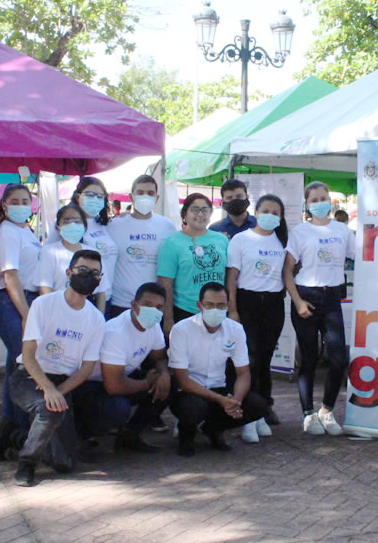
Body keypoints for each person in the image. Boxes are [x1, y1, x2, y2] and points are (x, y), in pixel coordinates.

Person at [10, 249, 105, 486]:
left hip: (63, 382)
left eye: (95, 273)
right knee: (50, 409)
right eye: (83, 270)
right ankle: (27, 463)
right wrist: (48, 390)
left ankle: (17, 437)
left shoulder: (96, 319)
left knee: (65, 463)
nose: (88, 276)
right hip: (28, 378)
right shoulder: (43, 304)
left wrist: (58, 391)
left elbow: (86, 369)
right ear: (69, 272)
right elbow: (28, 356)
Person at [284, 181, 354, 436]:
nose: (319, 203)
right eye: (313, 199)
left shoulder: (343, 231)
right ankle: (307, 413)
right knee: (309, 358)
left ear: (331, 201)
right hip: (306, 297)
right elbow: (287, 272)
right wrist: (298, 302)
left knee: (338, 359)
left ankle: (326, 410)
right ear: (306, 204)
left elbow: (360, 257)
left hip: (332, 297)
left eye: (323, 197)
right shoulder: (299, 232)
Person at [168, 282, 268, 457]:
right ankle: (186, 436)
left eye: (221, 305)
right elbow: (182, 380)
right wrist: (222, 400)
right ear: (200, 305)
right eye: (210, 305)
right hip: (189, 391)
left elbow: (243, 373)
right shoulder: (181, 330)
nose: (215, 310)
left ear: (228, 305)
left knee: (258, 405)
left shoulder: (235, 329)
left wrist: (235, 401)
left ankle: (213, 430)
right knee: (194, 408)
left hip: (219, 388)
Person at [77, 282, 171, 453]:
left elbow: (160, 357)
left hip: (120, 377)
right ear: (134, 305)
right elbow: (113, 386)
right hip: (91, 385)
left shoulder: (154, 326)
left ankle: (130, 436)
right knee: (118, 410)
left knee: (170, 383)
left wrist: (164, 373)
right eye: (148, 305)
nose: (154, 311)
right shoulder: (116, 333)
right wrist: (147, 383)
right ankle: (81, 436)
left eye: (159, 307)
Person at [226, 194, 288, 441]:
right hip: (246, 302)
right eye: (266, 210)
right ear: (256, 212)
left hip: (273, 304)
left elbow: (289, 273)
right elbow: (231, 277)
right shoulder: (241, 240)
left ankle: (261, 412)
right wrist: (233, 308)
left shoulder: (283, 240)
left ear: (281, 217)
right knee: (248, 360)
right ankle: (247, 417)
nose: (270, 215)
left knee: (264, 360)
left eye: (276, 212)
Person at [0, 184, 42, 460]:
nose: (22, 205)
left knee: (17, 365)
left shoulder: (25, 231)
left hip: (28, 300)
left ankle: (13, 432)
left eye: (26, 201)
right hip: (11, 302)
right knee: (25, 362)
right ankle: (15, 430)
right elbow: (10, 276)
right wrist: (26, 314)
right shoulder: (7, 233)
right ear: (5, 205)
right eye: (15, 201)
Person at [106, 174, 177, 319]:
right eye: (140, 192)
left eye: (150, 193)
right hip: (120, 304)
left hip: (154, 306)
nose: (145, 196)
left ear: (157, 198)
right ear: (131, 197)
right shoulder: (114, 225)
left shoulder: (167, 226)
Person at [157, 193, 229, 334]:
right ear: (185, 213)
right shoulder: (171, 243)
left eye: (205, 209)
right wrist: (168, 319)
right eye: (195, 209)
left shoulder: (222, 240)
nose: (200, 214)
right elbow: (166, 285)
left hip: (217, 311)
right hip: (185, 312)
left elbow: (229, 278)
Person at [72, 176, 117, 313]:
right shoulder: (70, 224)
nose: (95, 199)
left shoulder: (102, 224)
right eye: (90, 195)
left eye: (99, 196)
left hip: (106, 297)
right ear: (78, 196)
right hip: (84, 297)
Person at [36, 204, 88, 295]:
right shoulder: (49, 252)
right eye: (66, 221)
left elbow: (101, 292)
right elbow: (45, 288)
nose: (72, 224)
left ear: (84, 226)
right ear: (58, 227)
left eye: (77, 221)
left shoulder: (92, 252)